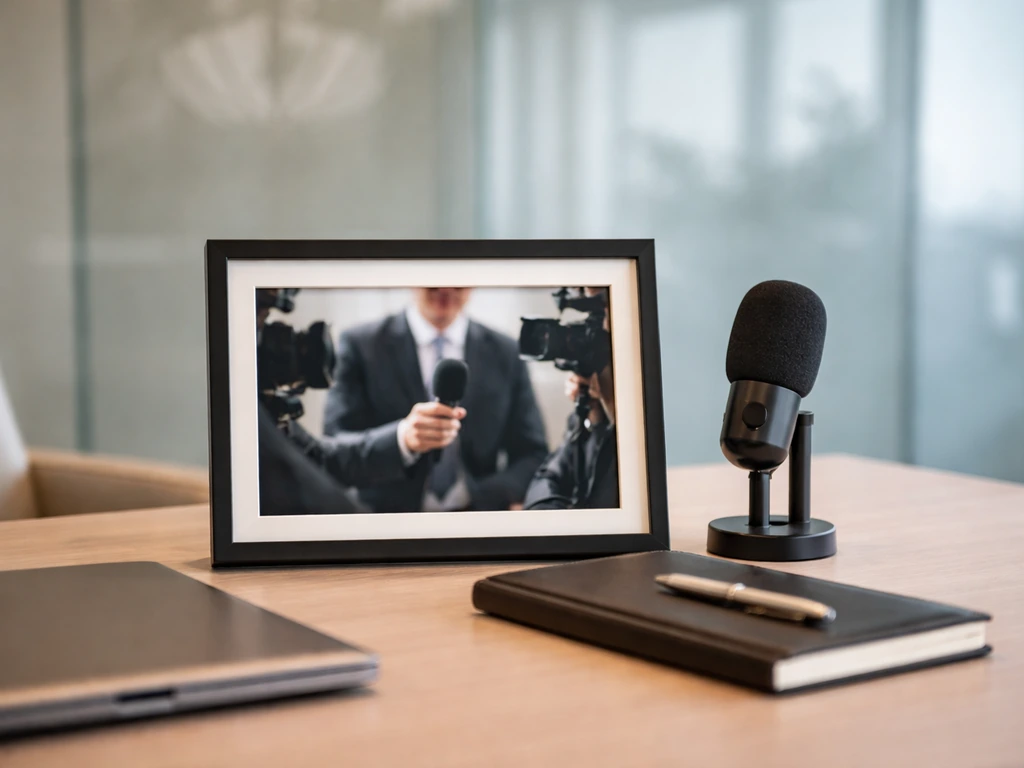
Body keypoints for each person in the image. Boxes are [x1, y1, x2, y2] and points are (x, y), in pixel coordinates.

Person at [323, 288, 549, 513]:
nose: (445, 289)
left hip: (477, 517)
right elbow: (334, 446)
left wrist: (495, 500)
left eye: (457, 283)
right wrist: (401, 439)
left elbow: (533, 454)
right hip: (388, 518)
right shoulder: (361, 344)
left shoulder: (506, 351)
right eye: (434, 281)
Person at [523, 288, 619, 510]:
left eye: (603, 313)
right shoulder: (587, 414)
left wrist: (615, 410)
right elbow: (544, 483)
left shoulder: (645, 425)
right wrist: (595, 419)